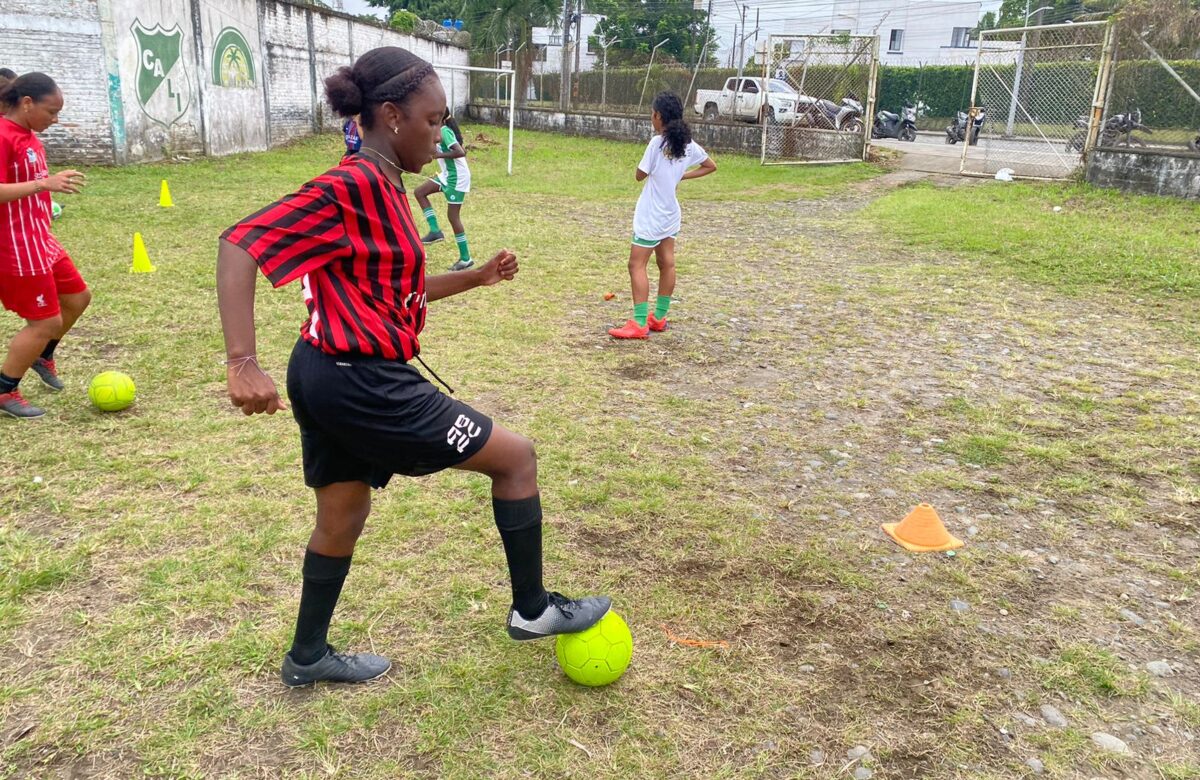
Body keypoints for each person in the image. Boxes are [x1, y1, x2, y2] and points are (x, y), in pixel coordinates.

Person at [216, 46, 611, 688]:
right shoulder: (351, 185)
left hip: (325, 369)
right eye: (433, 120)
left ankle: (307, 656)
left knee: (342, 515)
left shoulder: (387, 184)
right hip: (361, 380)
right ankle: (533, 608)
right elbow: (240, 243)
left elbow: (396, 287)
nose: (441, 135)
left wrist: (476, 277)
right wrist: (241, 361)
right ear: (393, 116)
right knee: (515, 459)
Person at [0, 72, 90, 418]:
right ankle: (5, 389)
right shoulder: (3, 136)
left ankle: (41, 354)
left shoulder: (28, 135)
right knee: (44, 322)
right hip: (15, 246)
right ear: (27, 103)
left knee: (78, 298)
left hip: (40, 239)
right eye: (51, 112)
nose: (55, 120)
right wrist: (43, 184)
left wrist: (46, 187)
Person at [609, 92, 716, 340]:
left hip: (651, 215)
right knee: (667, 263)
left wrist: (666, 172)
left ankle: (639, 322)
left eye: (652, 113)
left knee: (636, 264)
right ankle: (658, 317)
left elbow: (639, 175)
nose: (651, 117)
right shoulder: (688, 144)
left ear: (658, 116)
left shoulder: (656, 143)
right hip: (670, 214)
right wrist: (681, 175)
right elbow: (710, 166)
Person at [415, 108, 473, 271]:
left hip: (458, 177)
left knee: (453, 217)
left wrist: (438, 156)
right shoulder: (436, 131)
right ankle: (435, 231)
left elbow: (460, 152)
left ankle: (466, 258)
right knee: (420, 192)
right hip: (447, 175)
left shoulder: (445, 131)